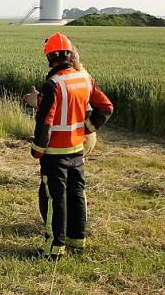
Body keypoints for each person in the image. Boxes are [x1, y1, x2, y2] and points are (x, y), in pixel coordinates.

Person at [31, 33, 113, 259]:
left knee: (54, 198)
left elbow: (45, 120)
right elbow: (106, 108)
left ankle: (53, 249)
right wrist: (85, 129)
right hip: (77, 150)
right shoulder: (84, 79)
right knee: (77, 193)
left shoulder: (53, 84)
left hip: (55, 153)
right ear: (70, 54)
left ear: (50, 57)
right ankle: (77, 240)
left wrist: (38, 148)